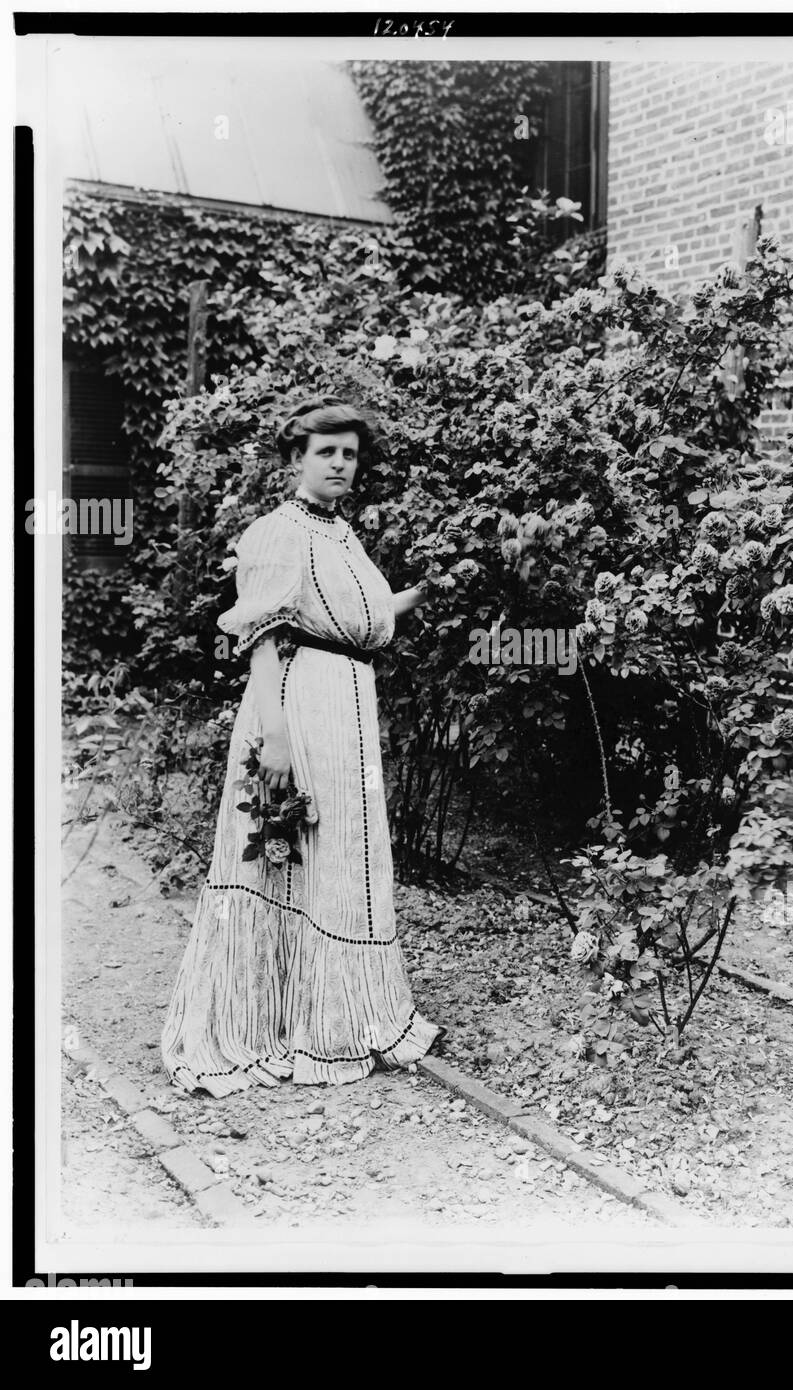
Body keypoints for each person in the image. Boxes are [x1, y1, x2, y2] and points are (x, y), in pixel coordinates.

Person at [161, 397, 444, 1096]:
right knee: (286, 853)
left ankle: (337, 1014)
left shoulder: (342, 535)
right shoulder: (276, 533)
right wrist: (276, 739)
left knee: (339, 853)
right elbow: (262, 641)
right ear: (296, 460)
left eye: (350, 454)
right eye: (327, 453)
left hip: (347, 705)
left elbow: (358, 618)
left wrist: (427, 591)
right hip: (295, 705)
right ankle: (266, 1020)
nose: (341, 464)